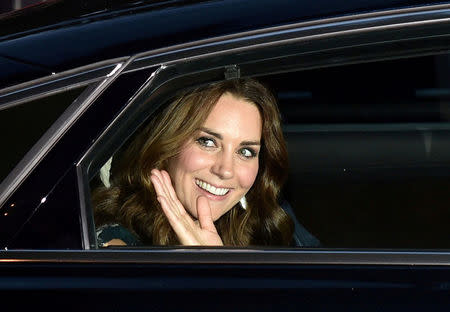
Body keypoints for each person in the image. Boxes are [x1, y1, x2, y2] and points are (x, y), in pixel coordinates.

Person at [92, 78, 295, 247]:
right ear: (166, 147)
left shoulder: (265, 227)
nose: (225, 170)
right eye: (207, 142)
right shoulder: (117, 244)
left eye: (245, 151)